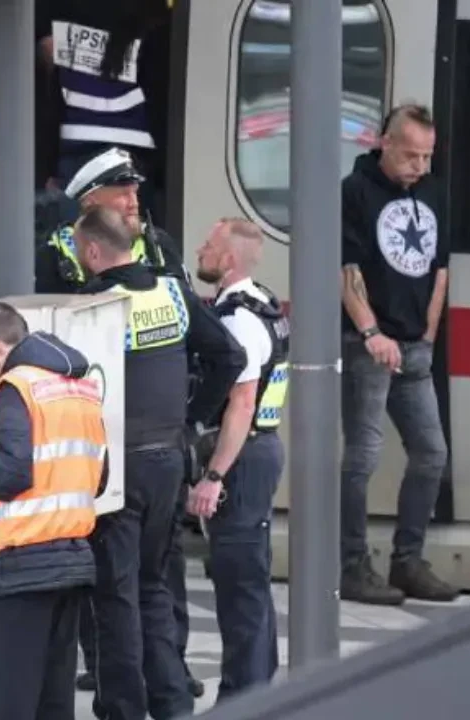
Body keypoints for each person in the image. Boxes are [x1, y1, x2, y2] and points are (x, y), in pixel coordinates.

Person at [74, 206, 245, 719]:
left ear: (93, 251)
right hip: (168, 462)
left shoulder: (94, 304)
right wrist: (191, 419)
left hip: (117, 470)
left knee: (116, 596)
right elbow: (230, 357)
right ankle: (172, 704)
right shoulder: (172, 292)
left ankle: (123, 710)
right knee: (152, 587)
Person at [0, 302, 108, 720]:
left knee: (7, 700)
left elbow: (9, 476)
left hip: (21, 565)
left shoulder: (16, 387)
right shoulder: (79, 387)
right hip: (71, 560)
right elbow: (99, 475)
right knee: (53, 700)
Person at [339, 104, 458, 606]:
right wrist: (370, 332)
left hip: (414, 346)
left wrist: (427, 335)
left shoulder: (432, 191)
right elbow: (344, 268)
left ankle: (408, 560)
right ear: (383, 143)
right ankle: (351, 565)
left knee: (432, 453)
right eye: (411, 155)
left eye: (427, 156)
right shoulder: (354, 191)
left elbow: (439, 268)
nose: (420, 166)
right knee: (363, 455)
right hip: (367, 344)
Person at [189, 218, 289, 700]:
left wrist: (213, 476)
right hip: (260, 450)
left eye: (209, 246)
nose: (200, 251)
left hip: (242, 456)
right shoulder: (262, 302)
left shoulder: (239, 321)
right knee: (251, 582)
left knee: (239, 589)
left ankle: (241, 699)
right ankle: (258, 691)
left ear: (228, 260)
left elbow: (242, 404)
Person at [35, 0, 173, 224]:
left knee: (76, 235)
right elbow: (160, 100)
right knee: (126, 238)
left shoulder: (57, 11)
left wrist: (47, 167)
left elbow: (46, 75)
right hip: (132, 151)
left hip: (74, 148)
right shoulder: (154, 17)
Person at [36, 146, 189, 295]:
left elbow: (186, 300)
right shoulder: (55, 256)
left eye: (135, 193)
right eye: (123, 194)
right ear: (90, 203)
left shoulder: (158, 245)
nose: (134, 203)